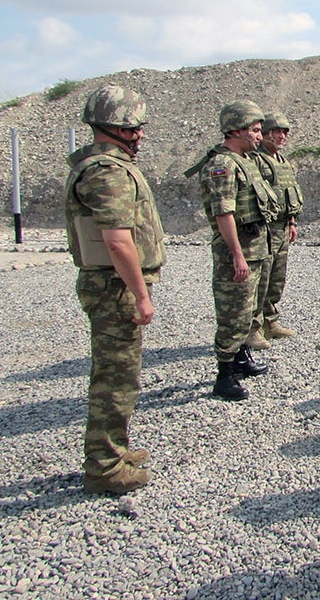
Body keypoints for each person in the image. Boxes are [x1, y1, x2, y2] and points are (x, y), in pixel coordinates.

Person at [65, 85, 165, 494]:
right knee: (115, 380)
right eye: (135, 127)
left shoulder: (105, 165)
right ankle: (104, 467)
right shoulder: (106, 171)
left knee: (121, 375)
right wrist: (140, 294)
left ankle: (115, 450)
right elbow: (118, 239)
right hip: (114, 287)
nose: (140, 134)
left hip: (112, 284)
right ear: (118, 127)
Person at [187, 100, 280, 401]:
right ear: (237, 130)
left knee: (249, 309)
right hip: (239, 253)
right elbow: (223, 213)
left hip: (257, 249)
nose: (258, 135)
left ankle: (241, 358)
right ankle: (224, 376)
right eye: (254, 130)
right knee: (233, 314)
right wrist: (237, 255)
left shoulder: (245, 160)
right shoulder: (223, 165)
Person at [247, 112, 304, 348]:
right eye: (277, 132)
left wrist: (291, 221)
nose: (282, 136)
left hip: (281, 227)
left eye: (284, 132)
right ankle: (253, 328)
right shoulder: (255, 160)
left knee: (276, 279)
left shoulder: (282, 161)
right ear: (266, 134)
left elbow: (288, 192)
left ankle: (270, 321)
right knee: (259, 280)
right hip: (265, 229)